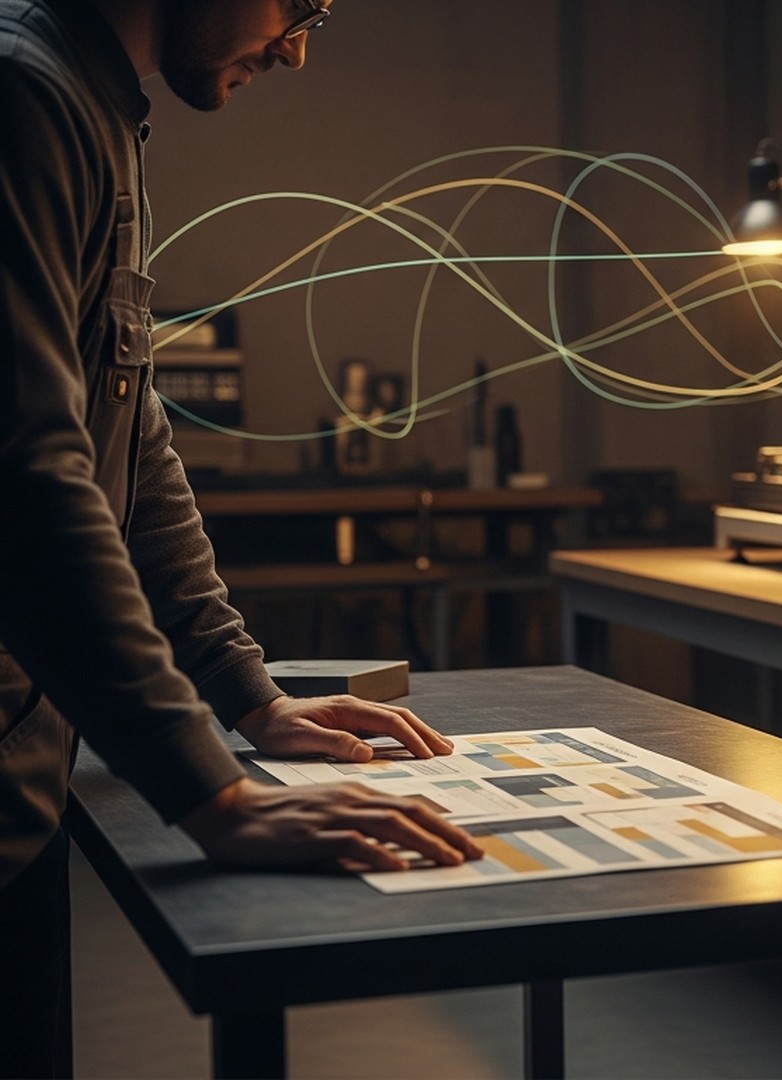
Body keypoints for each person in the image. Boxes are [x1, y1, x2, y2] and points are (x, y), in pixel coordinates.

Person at [0, 0, 484, 1073]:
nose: (297, 46)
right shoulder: (24, 99)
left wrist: (247, 695)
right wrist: (207, 792)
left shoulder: (97, 111)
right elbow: (30, 477)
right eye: (294, 4)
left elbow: (133, 437)